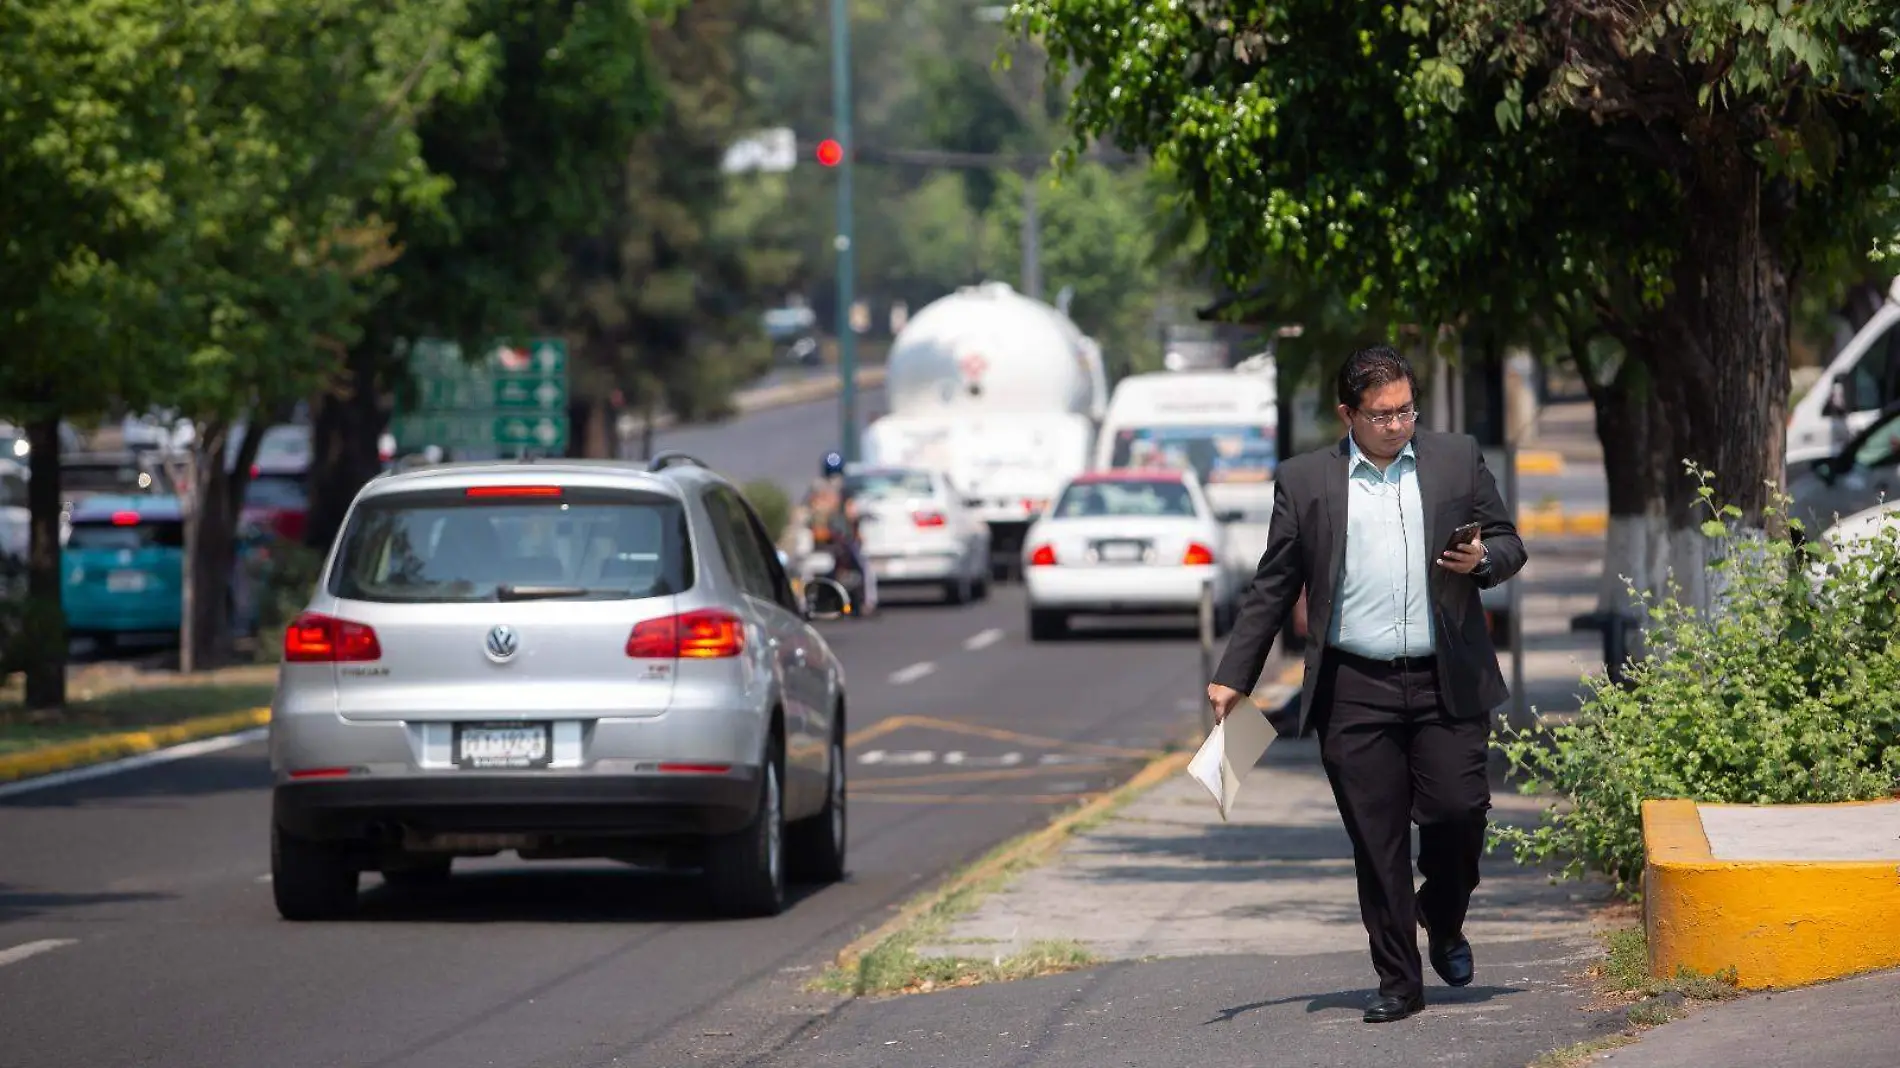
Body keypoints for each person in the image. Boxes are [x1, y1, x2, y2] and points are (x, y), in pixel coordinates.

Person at [1206, 344, 1526, 1024]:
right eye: (1382, 414)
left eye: (1407, 409)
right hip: (1353, 687)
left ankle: (1442, 913)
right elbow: (1274, 584)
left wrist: (1481, 559)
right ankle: (1398, 982)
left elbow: (1509, 541)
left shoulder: (1454, 458)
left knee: (1458, 814)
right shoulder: (1305, 480)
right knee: (1375, 841)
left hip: (1448, 680)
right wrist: (1235, 677)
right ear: (1348, 413)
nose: (1398, 424)